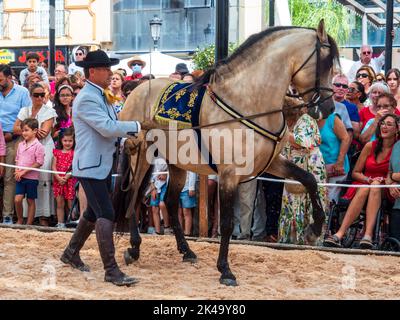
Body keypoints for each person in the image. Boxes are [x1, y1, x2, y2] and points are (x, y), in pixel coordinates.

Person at [60, 49, 142, 286]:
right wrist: (137, 126)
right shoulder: (87, 97)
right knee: (106, 213)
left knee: (93, 213)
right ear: (92, 71)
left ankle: (71, 253)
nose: (110, 72)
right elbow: (107, 127)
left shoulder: (99, 94)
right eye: (106, 69)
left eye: (109, 68)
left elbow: (112, 125)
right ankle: (111, 270)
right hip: (90, 165)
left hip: (99, 163)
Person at [324, 114, 399, 249]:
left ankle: (367, 235)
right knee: (366, 187)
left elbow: (393, 173)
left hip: (386, 186)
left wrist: (383, 180)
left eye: (389, 124)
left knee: (375, 186)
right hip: (364, 183)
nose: (384, 126)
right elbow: (355, 173)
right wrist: (368, 179)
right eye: (382, 123)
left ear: (396, 129)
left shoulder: (397, 148)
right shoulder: (370, 146)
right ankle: (340, 234)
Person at [279, 105, 328, 245]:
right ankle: (291, 240)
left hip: (310, 166)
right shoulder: (283, 121)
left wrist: (281, 133)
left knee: (310, 203)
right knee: (291, 202)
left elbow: (302, 142)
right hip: (292, 166)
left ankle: (310, 240)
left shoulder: (306, 119)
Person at [13, 83, 57, 226]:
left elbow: (44, 133)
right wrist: (31, 131)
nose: (39, 97)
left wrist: (26, 130)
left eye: (42, 95)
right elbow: (15, 129)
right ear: (30, 96)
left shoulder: (49, 111)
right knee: (25, 182)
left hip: (43, 148)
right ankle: (25, 216)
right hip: (25, 149)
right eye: (36, 95)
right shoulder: (24, 109)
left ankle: (44, 215)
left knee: (44, 180)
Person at [0, 64, 31, 225]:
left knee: (9, 178)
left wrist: (13, 133)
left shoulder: (22, 92)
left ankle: (7, 215)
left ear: (9, 77)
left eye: (0, 79)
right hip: (0, 137)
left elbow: (27, 119)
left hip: (13, 139)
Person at [14, 118, 45, 225]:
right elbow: (17, 159)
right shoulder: (20, 145)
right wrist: (17, 171)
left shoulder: (39, 146)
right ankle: (20, 219)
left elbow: (39, 162)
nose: (24, 133)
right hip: (20, 177)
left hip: (32, 179)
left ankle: (29, 223)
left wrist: (24, 172)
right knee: (18, 199)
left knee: (30, 200)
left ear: (35, 130)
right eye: (22, 130)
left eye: (26, 130)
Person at [318, 112, 351, 203]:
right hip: (316, 167)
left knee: (328, 201)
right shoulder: (309, 120)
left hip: (335, 168)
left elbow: (346, 138)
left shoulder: (333, 119)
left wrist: (339, 163)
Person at [52, 128, 77, 228]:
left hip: (70, 181)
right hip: (58, 181)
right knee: (60, 203)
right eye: (65, 140)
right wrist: (58, 177)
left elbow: (74, 166)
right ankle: (60, 223)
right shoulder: (56, 152)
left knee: (70, 203)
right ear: (61, 141)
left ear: (74, 141)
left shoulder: (75, 153)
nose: (67, 143)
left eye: (70, 141)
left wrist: (66, 177)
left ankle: (72, 221)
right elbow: (53, 166)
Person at [147, 155, 171, 235]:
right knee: (154, 208)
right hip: (155, 185)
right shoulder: (151, 157)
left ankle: (167, 228)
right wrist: (153, 188)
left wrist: (166, 175)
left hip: (165, 184)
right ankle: (157, 231)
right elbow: (149, 174)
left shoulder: (167, 153)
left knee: (162, 204)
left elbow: (172, 168)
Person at [178, 171, 197, 236]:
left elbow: (192, 172)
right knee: (179, 212)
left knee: (186, 211)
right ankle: (180, 232)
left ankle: (187, 233)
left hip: (186, 188)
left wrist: (191, 187)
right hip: (177, 188)